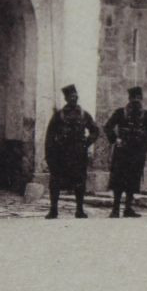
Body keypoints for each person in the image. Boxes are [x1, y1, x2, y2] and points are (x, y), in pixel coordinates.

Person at [45, 84, 100, 219]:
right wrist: (50, 155)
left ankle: (79, 210)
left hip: (78, 154)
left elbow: (95, 130)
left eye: (75, 96)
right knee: (55, 181)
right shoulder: (59, 115)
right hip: (61, 154)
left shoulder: (84, 114)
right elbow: (50, 136)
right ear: (66, 99)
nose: (73, 99)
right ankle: (53, 210)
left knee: (80, 182)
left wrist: (87, 142)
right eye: (70, 97)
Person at [103, 86, 147, 218]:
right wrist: (115, 139)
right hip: (122, 151)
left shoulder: (146, 115)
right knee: (118, 180)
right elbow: (108, 127)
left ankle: (128, 208)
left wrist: (144, 147)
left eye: (138, 98)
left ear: (141, 99)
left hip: (137, 153)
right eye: (133, 98)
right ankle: (115, 209)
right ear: (129, 99)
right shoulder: (120, 112)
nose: (136, 100)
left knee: (133, 179)